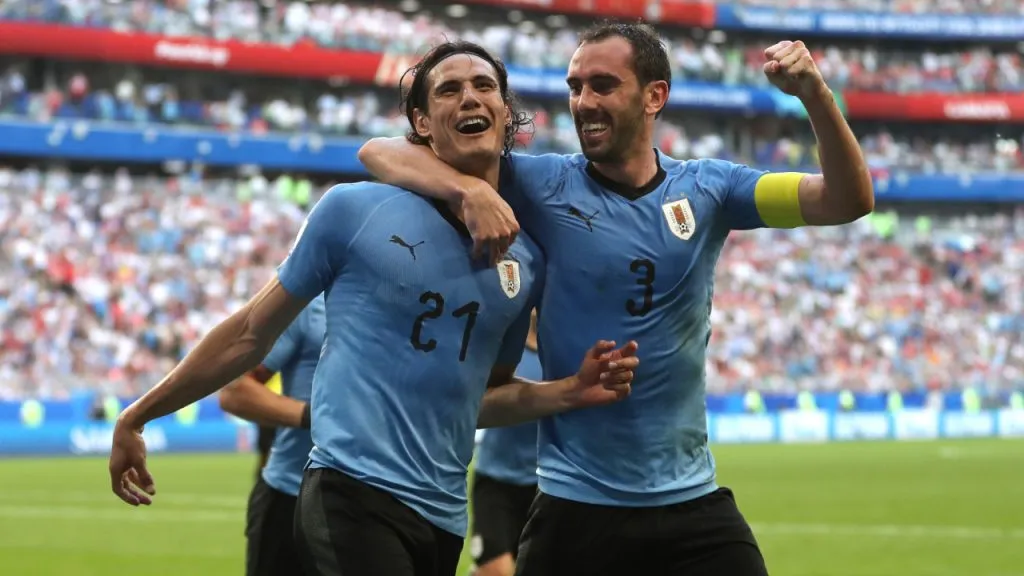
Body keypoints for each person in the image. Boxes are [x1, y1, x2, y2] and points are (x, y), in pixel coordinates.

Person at [357, 22, 874, 576]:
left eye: (603, 85)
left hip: (691, 505)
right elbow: (378, 151)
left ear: (655, 96)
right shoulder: (540, 183)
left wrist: (816, 96)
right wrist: (472, 188)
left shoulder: (713, 189)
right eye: (575, 86)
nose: (584, 102)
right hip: (576, 509)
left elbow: (846, 199)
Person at [107, 40, 640, 576]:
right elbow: (249, 331)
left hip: (443, 515)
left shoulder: (524, 262)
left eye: (484, 87)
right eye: (449, 90)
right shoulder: (353, 210)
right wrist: (138, 415)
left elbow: (478, 401)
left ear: (506, 113)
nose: (470, 97)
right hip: (349, 491)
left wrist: (567, 392)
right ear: (423, 124)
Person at [218, 296, 326, 576]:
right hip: (291, 496)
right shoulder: (309, 307)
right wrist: (316, 418)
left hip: (381, 499)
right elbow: (235, 390)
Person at [470, 309, 540, 576]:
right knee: (496, 571)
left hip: (542, 487)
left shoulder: (558, 353)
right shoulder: (505, 348)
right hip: (497, 479)